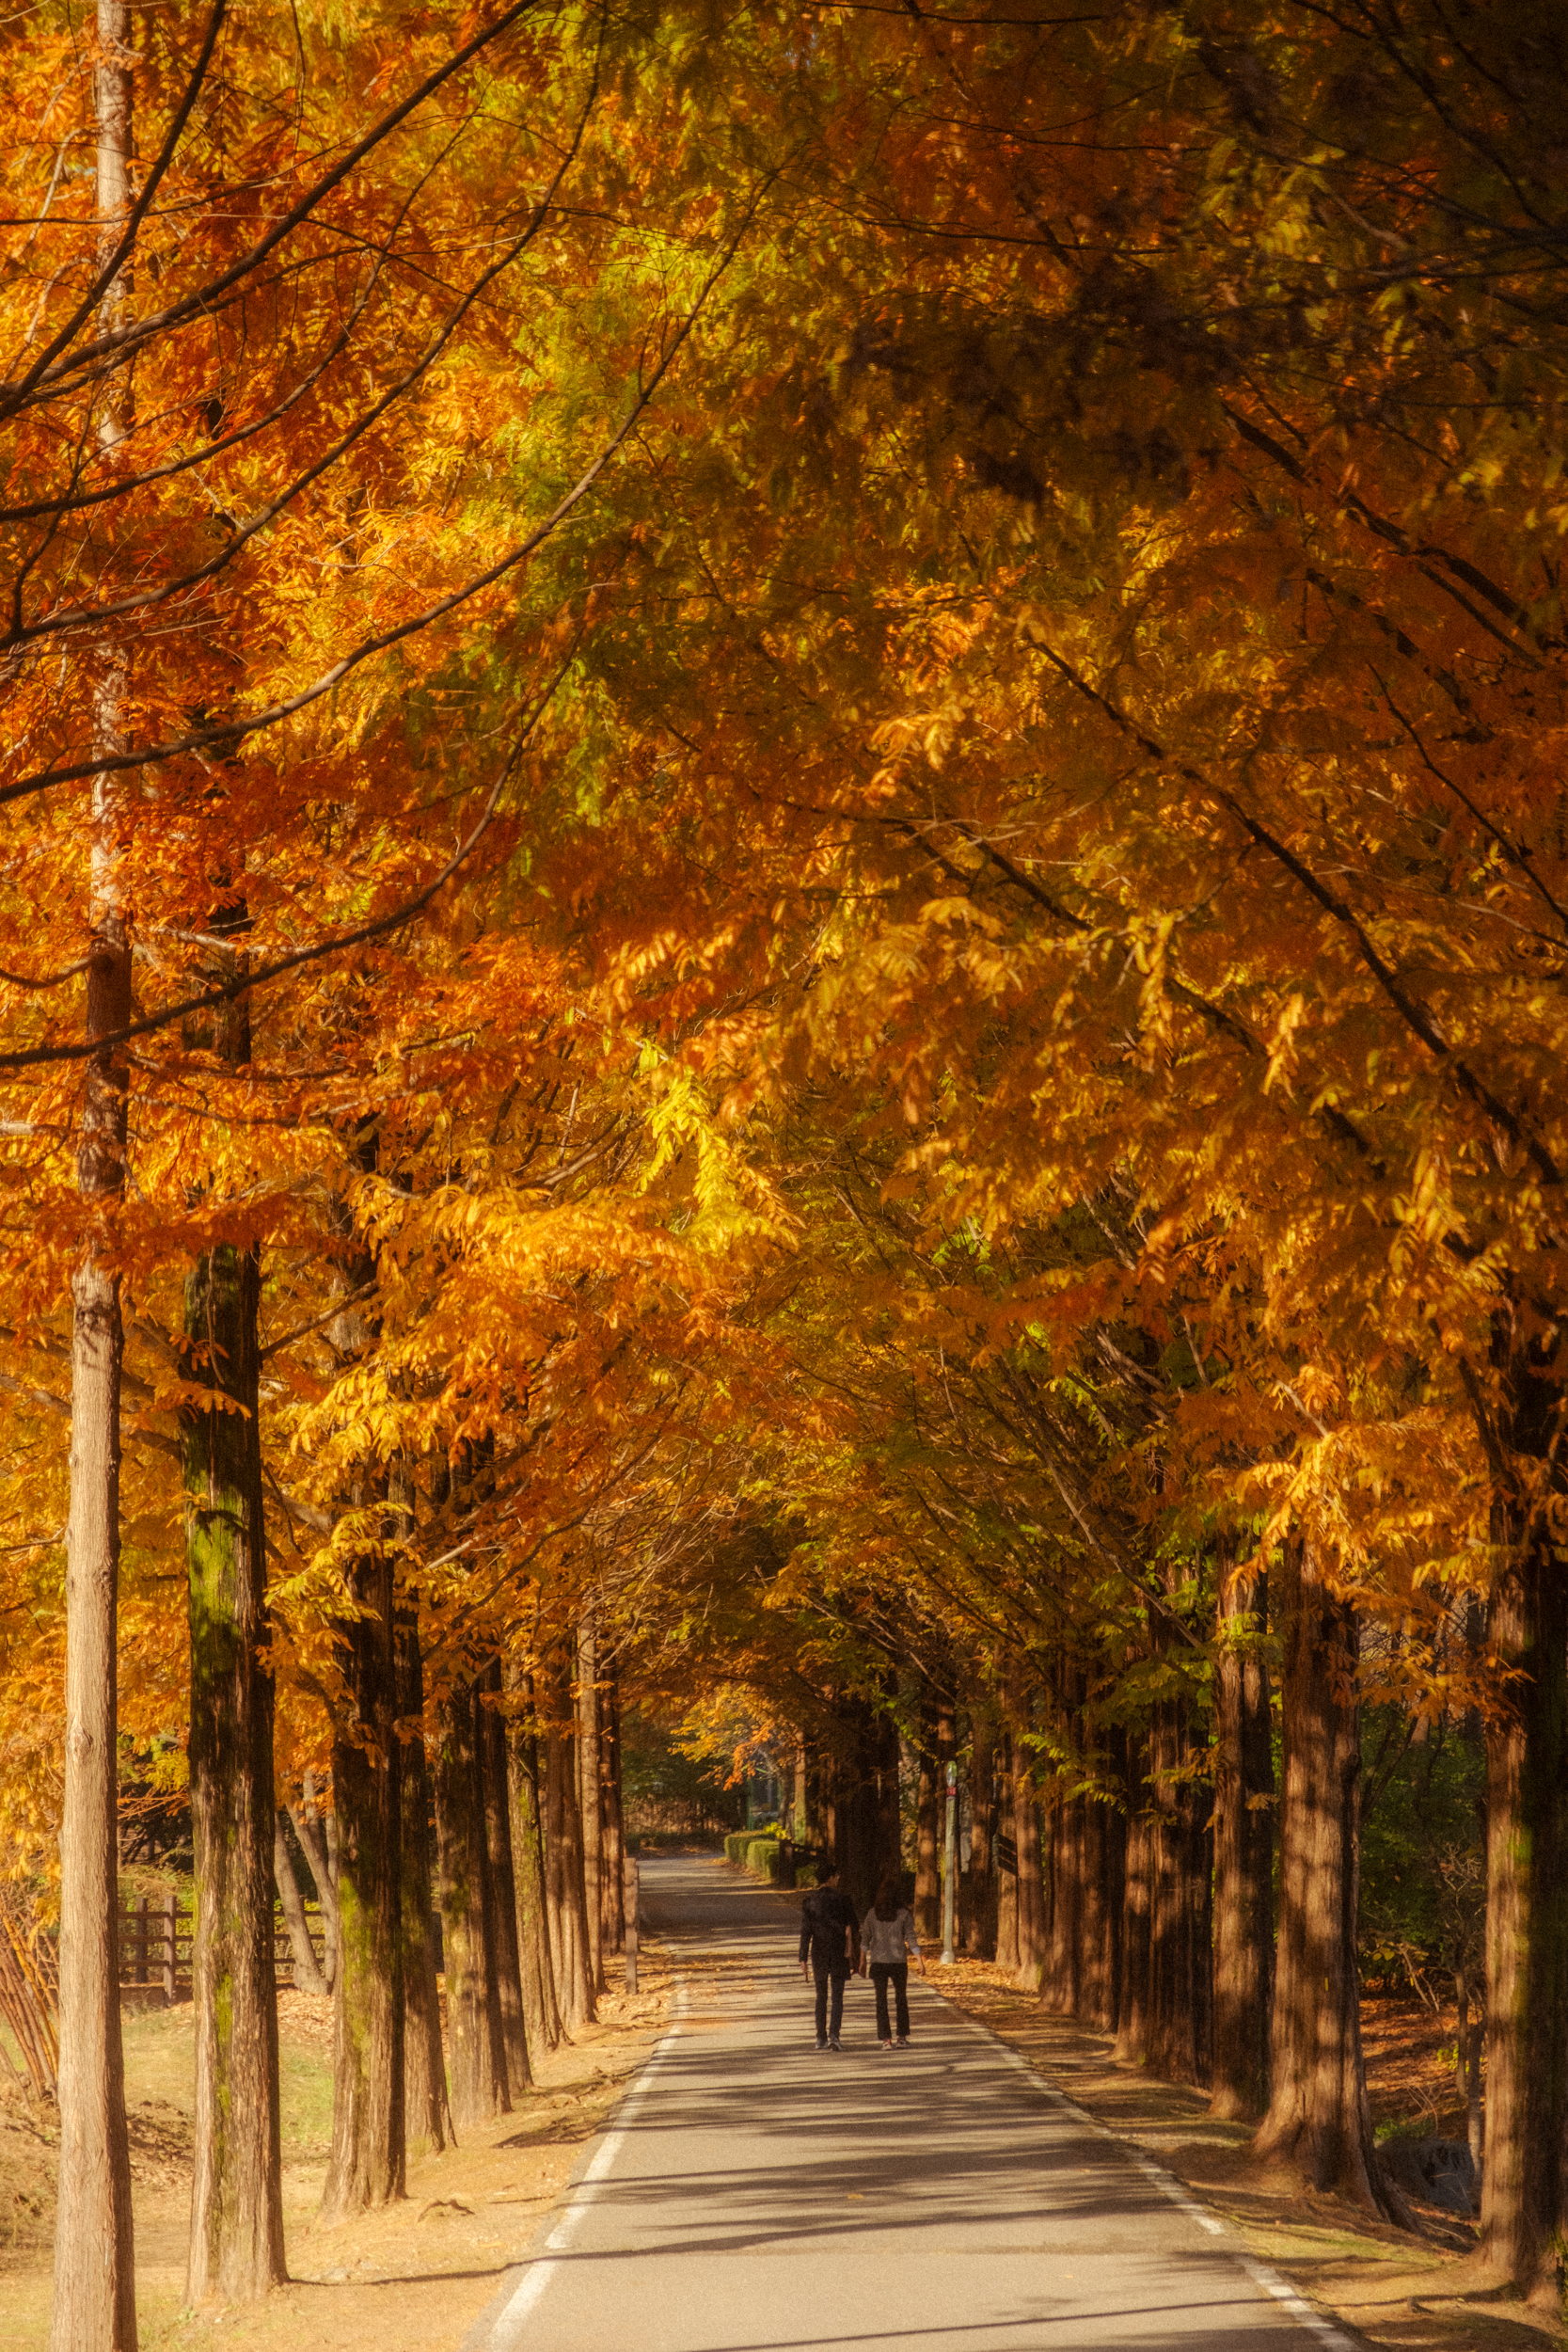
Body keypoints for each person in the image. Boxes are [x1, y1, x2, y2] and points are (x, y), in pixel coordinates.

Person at [798, 1858, 860, 2050]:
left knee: (821, 1996)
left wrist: (802, 1957)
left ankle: (820, 2037)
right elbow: (855, 1926)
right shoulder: (843, 1900)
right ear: (831, 1878)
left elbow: (806, 1930)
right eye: (837, 1875)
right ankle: (834, 2035)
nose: (838, 1878)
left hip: (819, 1953)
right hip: (839, 1951)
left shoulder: (809, 1902)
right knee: (837, 1996)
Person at [861, 1875, 925, 2048]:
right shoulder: (904, 1914)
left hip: (878, 1962)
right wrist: (919, 1959)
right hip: (898, 1962)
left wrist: (862, 1962)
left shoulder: (872, 1914)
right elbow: (910, 1937)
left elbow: (865, 1939)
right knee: (901, 1999)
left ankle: (885, 2039)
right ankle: (901, 2037)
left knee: (881, 2000)